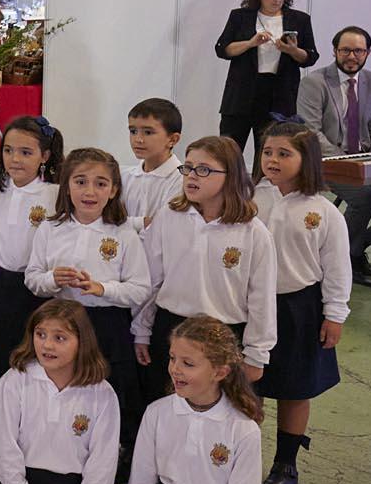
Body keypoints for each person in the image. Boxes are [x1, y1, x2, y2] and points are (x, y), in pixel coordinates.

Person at [25, 147, 151, 458]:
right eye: (80, 182)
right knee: (67, 390)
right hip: (61, 325)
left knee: (107, 393)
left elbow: (140, 289)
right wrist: (53, 279)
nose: (89, 191)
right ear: (66, 185)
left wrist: (102, 288)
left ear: (114, 190)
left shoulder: (123, 234)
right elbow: (32, 278)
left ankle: (112, 453)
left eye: (100, 183)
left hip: (107, 328)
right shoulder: (50, 229)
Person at [133, 136, 278, 391]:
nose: (191, 176)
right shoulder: (170, 216)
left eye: (204, 170)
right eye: (187, 168)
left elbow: (262, 298)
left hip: (223, 333)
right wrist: (141, 330)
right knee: (163, 405)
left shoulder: (253, 232)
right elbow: (150, 279)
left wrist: (257, 353)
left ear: (231, 175)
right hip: (171, 327)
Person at [254, 123, 351, 484]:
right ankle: (244, 457)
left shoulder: (323, 212)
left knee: (295, 389)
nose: (273, 160)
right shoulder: (251, 197)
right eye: (267, 152)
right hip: (252, 305)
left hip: (299, 308)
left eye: (284, 153)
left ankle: (285, 462)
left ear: (306, 160)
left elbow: (337, 268)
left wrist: (335, 315)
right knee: (250, 384)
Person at [295, 26, 371, 281]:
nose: (352, 56)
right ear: (335, 51)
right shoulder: (314, 82)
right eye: (346, 50)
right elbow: (310, 132)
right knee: (366, 198)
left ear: (368, 53)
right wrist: (350, 163)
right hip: (327, 163)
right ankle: (340, 259)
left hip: (366, 162)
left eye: (358, 50)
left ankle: (361, 245)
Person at [0, 301, 120, 484]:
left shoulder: (102, 393)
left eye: (59, 338)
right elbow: (4, 448)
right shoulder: (15, 380)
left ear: (82, 341)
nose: (47, 345)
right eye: (40, 334)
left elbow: (102, 464)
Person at [126, 317, 264, 484]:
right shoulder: (157, 412)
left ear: (219, 373)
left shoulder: (243, 429)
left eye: (188, 363)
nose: (175, 369)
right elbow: (141, 478)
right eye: (172, 358)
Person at [0, 117, 63, 373]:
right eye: (8, 150)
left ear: (45, 156)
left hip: (34, 289)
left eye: (26, 152)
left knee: (30, 353)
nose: (15, 159)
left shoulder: (54, 194)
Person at [214, 0, 318, 158]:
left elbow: (310, 57)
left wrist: (292, 51)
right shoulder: (240, 17)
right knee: (228, 151)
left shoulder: (299, 19)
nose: (277, 0)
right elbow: (222, 49)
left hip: (279, 94)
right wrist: (250, 43)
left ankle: (263, 187)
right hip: (242, 92)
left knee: (270, 152)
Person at [124, 99, 186, 232]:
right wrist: (142, 222)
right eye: (133, 131)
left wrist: (127, 224)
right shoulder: (125, 177)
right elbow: (110, 222)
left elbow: (163, 229)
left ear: (172, 139)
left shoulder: (182, 180)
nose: (138, 139)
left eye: (148, 132)